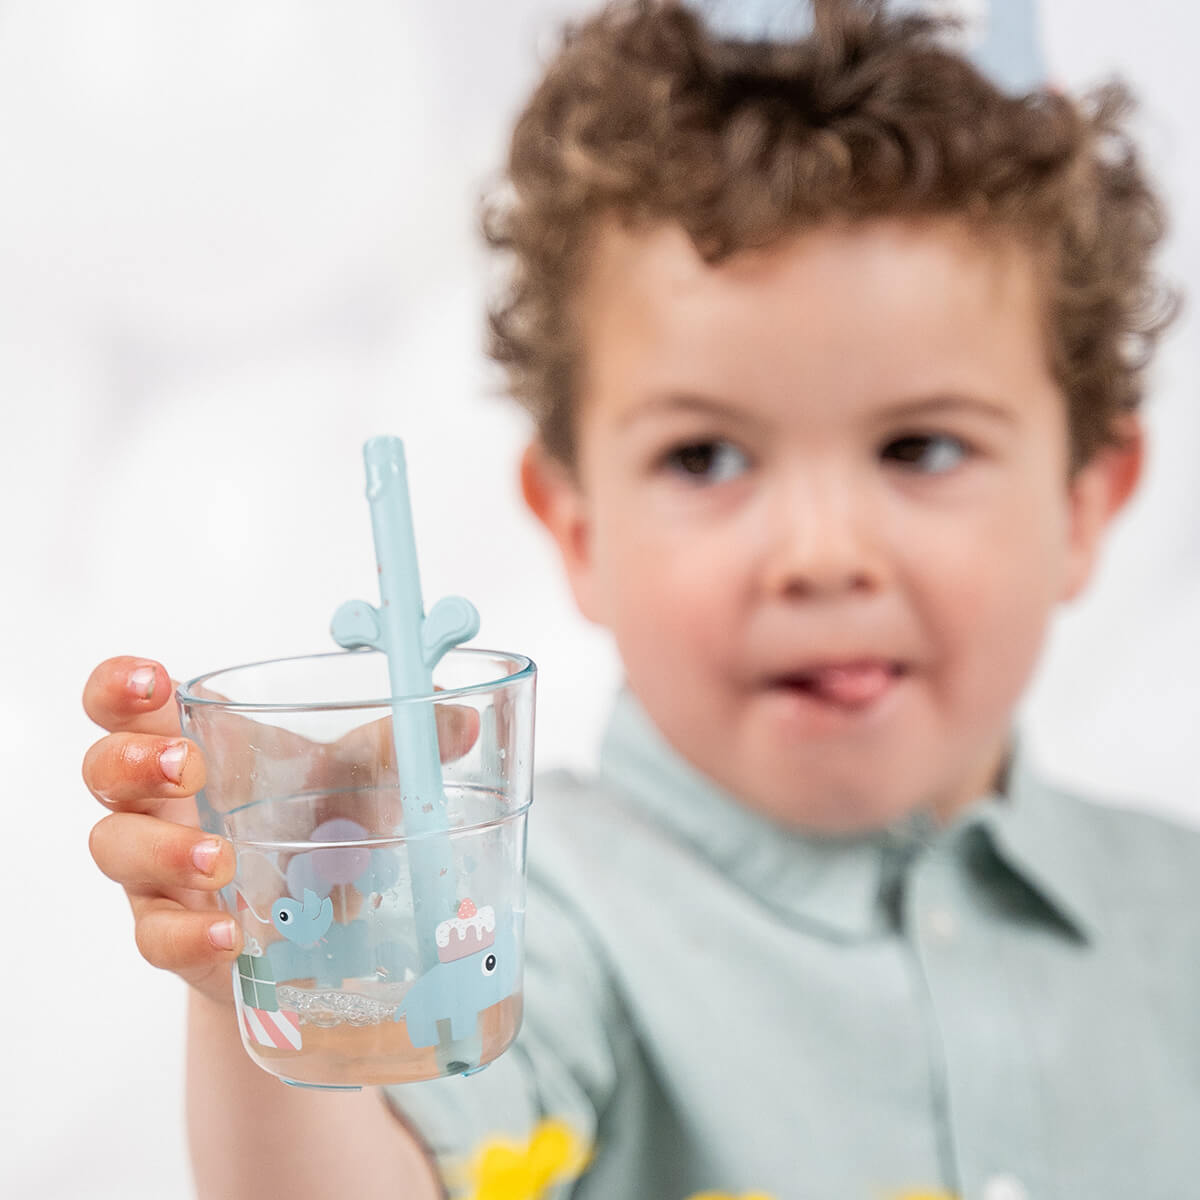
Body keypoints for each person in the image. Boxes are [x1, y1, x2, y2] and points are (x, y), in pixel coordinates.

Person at [82, 2, 1197, 1197]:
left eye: (921, 449)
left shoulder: (1174, 909)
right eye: (705, 458)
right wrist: (276, 964)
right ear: (579, 530)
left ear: (1084, 501)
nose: (821, 556)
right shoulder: (529, 915)